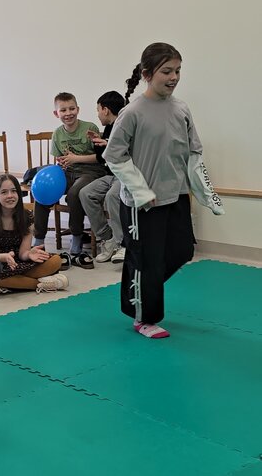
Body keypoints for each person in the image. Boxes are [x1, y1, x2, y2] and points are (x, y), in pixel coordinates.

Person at [104, 42, 224, 340]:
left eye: (178, 71)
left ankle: (139, 281)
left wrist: (207, 194)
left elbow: (194, 152)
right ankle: (144, 318)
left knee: (182, 251)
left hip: (176, 195)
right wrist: (141, 190)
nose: (174, 77)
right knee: (147, 261)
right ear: (147, 74)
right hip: (142, 203)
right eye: (167, 71)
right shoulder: (132, 113)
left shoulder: (181, 108)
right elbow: (113, 155)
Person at [33, 92, 106, 268]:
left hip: (90, 172)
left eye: (71, 108)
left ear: (78, 109)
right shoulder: (57, 134)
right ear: (56, 113)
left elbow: (100, 158)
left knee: (74, 194)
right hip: (68, 173)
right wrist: (63, 163)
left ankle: (77, 237)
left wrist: (76, 159)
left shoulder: (89, 127)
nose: (68, 113)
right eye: (63, 110)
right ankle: (39, 239)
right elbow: (60, 160)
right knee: (42, 193)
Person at [0, 174, 68, 297]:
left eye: (13, 191)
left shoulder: (27, 216)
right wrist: (3, 257)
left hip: (18, 263)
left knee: (55, 260)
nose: (10, 196)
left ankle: (4, 286)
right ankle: (44, 284)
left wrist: (29, 254)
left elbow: (23, 253)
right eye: (4, 192)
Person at [79, 91, 125, 264]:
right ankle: (108, 238)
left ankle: (122, 243)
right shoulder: (109, 128)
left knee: (112, 196)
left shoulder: (125, 126)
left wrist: (109, 144)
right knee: (86, 193)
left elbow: (132, 153)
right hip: (110, 175)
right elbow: (102, 157)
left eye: (98, 110)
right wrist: (99, 141)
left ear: (105, 110)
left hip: (125, 175)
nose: (98, 114)